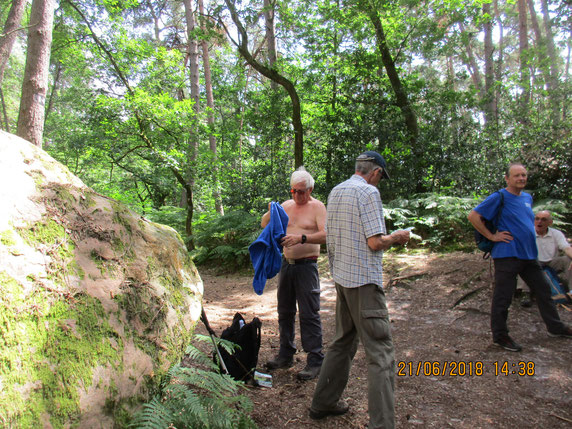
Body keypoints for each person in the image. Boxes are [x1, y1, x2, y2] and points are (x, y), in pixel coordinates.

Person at [309, 151, 410, 429]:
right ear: (375, 172)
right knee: (380, 353)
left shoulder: (336, 191)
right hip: (364, 282)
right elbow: (375, 243)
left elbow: (335, 235)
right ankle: (382, 424)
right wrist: (397, 237)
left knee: (342, 342)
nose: (379, 182)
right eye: (380, 177)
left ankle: (323, 403)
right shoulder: (368, 194)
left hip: (342, 278)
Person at [468, 163, 572, 352]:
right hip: (507, 255)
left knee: (544, 291)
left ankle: (555, 328)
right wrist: (492, 237)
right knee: (503, 297)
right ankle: (500, 336)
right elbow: (473, 216)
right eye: (517, 176)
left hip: (529, 255)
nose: (521, 178)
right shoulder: (499, 196)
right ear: (507, 178)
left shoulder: (526, 197)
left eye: (524, 175)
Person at [261, 166, 327, 380]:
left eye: (301, 191)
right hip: (287, 264)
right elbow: (265, 224)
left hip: (307, 265)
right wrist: (271, 211)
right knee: (285, 311)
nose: (297, 195)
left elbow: (326, 234)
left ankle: (315, 359)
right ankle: (286, 354)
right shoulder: (287, 206)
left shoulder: (318, 207)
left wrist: (301, 238)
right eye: (293, 191)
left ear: (310, 189)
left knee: (309, 313)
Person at [517, 210, 572, 306]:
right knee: (523, 263)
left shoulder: (556, 234)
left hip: (551, 262)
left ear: (550, 222)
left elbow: (566, 247)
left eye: (543, 219)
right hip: (533, 262)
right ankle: (525, 293)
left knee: (567, 259)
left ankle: (571, 292)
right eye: (537, 219)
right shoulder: (528, 233)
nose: (539, 222)